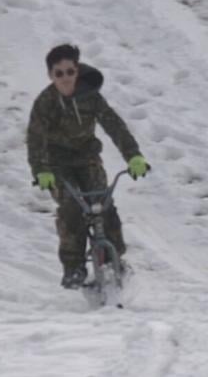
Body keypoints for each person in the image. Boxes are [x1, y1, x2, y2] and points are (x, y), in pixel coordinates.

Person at [26, 44, 149, 289]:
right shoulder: (45, 102)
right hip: (57, 165)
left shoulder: (90, 96)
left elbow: (114, 125)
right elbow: (35, 139)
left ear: (77, 71)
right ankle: (74, 268)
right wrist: (41, 171)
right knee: (72, 207)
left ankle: (115, 259)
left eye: (70, 72)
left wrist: (134, 157)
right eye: (58, 73)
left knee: (103, 204)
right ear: (51, 75)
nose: (65, 78)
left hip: (87, 158)